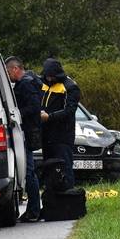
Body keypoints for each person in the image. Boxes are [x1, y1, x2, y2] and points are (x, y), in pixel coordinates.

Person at [5, 56, 44, 222]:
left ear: (15, 69)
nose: (7, 75)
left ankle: (34, 210)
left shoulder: (26, 84)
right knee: (29, 171)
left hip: (27, 133)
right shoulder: (28, 81)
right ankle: (33, 209)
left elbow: (34, 107)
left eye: (8, 71)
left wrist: (17, 114)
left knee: (28, 172)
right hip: (28, 132)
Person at [39, 57, 80, 189]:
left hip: (63, 136)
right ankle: (52, 199)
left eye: (52, 76)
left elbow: (69, 111)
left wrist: (49, 117)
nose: (49, 79)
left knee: (64, 167)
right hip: (46, 135)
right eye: (47, 76)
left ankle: (69, 197)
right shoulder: (43, 83)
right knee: (49, 168)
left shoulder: (69, 87)